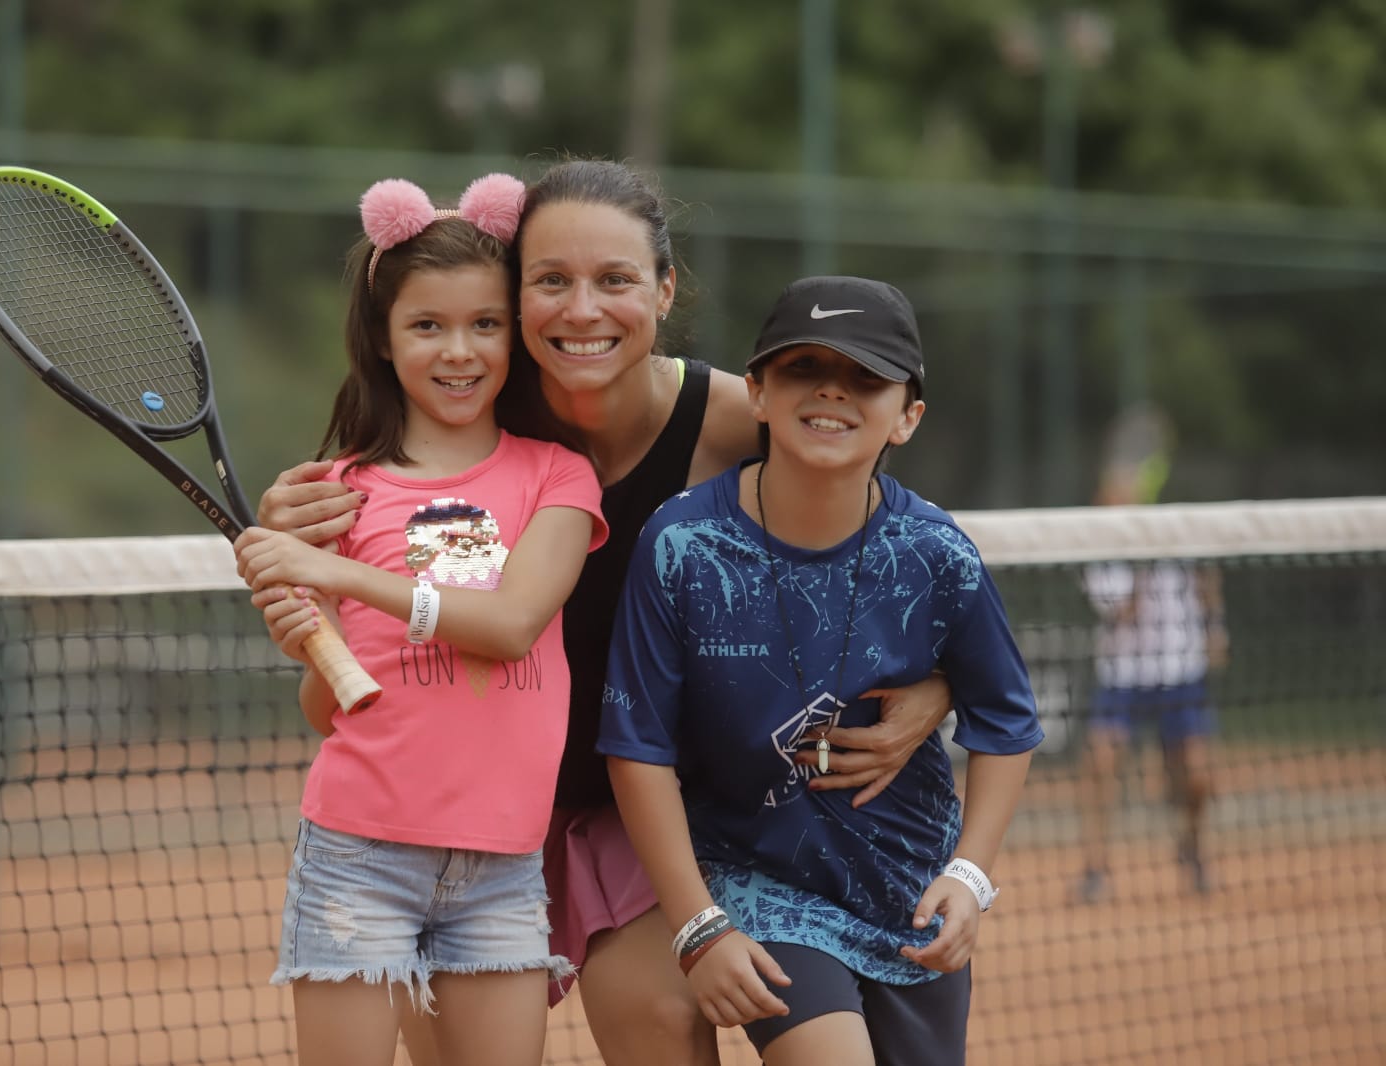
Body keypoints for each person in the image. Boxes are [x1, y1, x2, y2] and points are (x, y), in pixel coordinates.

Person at [256, 160, 957, 1066]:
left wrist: (940, 684)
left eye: (615, 280)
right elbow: (367, 665)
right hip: (480, 812)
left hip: (673, 808)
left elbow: (915, 557)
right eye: (550, 282)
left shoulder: (742, 420)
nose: (582, 311)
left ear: (665, 290)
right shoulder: (457, 424)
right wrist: (304, 558)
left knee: (664, 1012)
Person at [599, 275, 1044, 1066]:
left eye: (867, 377)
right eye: (803, 367)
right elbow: (638, 747)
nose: (833, 389)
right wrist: (702, 924)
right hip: (757, 882)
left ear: (907, 417)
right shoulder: (682, 546)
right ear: (759, 393)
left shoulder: (936, 555)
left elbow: (1005, 720)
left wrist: (971, 875)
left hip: (907, 893)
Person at [233, 172, 608, 1066]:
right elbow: (331, 714)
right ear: (384, 338)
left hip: (503, 865)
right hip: (359, 857)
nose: (459, 352)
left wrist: (338, 578)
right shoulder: (332, 497)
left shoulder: (559, 475)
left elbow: (514, 624)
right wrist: (311, 650)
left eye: (484, 324)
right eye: (427, 326)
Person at [1074, 443, 1228, 903]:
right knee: (1101, 761)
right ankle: (1095, 869)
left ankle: (1193, 849)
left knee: (1199, 777)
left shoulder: (1170, 530)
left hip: (1181, 668)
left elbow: (1207, 575)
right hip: (1123, 676)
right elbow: (1122, 612)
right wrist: (1142, 559)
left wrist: (1216, 626)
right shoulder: (1092, 552)